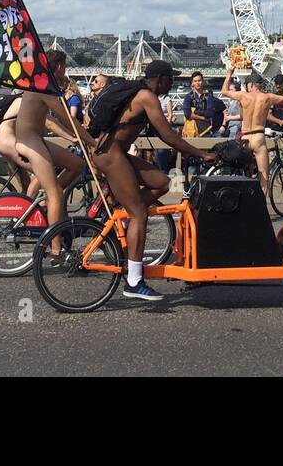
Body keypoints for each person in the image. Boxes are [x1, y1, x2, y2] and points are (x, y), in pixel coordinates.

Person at [91, 60, 215, 300]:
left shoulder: (139, 93)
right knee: (140, 213)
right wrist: (201, 154)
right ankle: (134, 282)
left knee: (161, 182)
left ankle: (125, 213)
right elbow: (167, 134)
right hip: (111, 155)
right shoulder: (147, 96)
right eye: (170, 79)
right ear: (160, 79)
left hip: (115, 153)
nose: (172, 83)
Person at [9, 50, 87, 256]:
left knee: (77, 165)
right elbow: (68, 120)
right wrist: (92, 141)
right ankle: (56, 250)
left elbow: (57, 122)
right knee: (55, 194)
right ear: (59, 67)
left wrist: (79, 137)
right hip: (31, 144)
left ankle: (49, 203)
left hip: (35, 140)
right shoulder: (45, 88)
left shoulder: (41, 84)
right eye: (65, 67)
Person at [221, 63, 283, 195]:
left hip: (245, 137)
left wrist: (229, 73)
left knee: (245, 174)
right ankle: (261, 208)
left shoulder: (243, 96)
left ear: (251, 85)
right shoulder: (267, 97)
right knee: (264, 176)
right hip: (258, 137)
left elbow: (224, 91)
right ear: (259, 85)